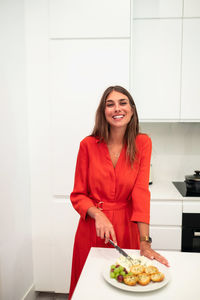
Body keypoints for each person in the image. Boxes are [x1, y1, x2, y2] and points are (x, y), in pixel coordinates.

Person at [68, 85, 169, 299]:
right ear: (103, 112)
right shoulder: (87, 145)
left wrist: (145, 241)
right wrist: (98, 214)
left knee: (125, 288)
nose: (117, 108)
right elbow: (78, 195)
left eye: (123, 103)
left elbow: (141, 192)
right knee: (90, 289)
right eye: (110, 104)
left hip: (126, 228)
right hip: (93, 228)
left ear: (132, 109)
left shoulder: (143, 143)